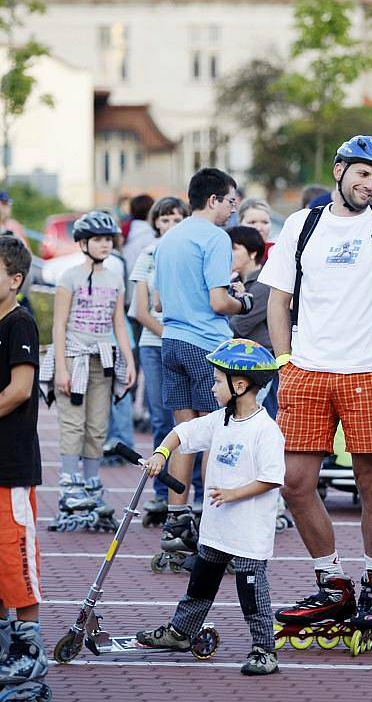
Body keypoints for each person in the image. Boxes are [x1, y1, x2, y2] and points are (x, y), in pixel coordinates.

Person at [260, 135, 372, 632]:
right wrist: (284, 362)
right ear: (339, 170)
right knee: (295, 484)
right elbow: (279, 299)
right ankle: (333, 584)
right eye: (362, 174)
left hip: (368, 370)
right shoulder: (303, 224)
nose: (370, 184)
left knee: (371, 482)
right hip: (307, 371)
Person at [137, 339, 284, 676]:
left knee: (252, 594)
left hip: (248, 533)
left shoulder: (266, 430)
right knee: (200, 585)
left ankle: (264, 650)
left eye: (218, 381)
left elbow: (273, 478)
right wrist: (162, 452)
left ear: (241, 385)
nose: (213, 387)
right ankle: (181, 633)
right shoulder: (221, 421)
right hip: (216, 530)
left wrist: (235, 494)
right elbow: (183, 431)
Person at [154, 169, 254, 562]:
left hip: (172, 340)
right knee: (217, 434)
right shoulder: (214, 237)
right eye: (232, 202)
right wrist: (242, 302)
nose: (234, 211)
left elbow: (159, 303)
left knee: (185, 433)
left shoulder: (168, 238)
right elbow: (218, 302)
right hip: (207, 344)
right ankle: (215, 528)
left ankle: (177, 520)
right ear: (213, 199)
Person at [44, 211, 136, 530]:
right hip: (74, 358)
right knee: (73, 424)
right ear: (82, 243)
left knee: (97, 425)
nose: (104, 245)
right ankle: (69, 486)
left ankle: (92, 483)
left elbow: (118, 323)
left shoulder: (115, 278)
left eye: (108, 239)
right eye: (97, 239)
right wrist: (61, 368)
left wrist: (129, 359)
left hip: (103, 359)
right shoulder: (68, 277)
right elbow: (58, 324)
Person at [0, 236, 49, 694]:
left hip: (12, 465)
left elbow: (19, 389)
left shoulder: (19, 324)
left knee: (17, 556)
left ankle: (29, 647)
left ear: (15, 279)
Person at [130, 197, 190, 515]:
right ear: (155, 222)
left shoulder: (188, 252)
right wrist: (168, 334)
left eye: (178, 220)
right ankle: (161, 492)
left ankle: (186, 492)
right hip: (155, 345)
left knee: (188, 421)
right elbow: (141, 309)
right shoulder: (148, 253)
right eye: (165, 220)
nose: (170, 226)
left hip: (184, 345)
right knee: (160, 419)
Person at [228, 225, 278, 418]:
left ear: (252, 252)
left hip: (261, 365)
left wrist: (229, 305)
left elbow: (238, 325)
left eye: (234, 249)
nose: (228, 255)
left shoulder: (263, 284)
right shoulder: (236, 282)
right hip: (243, 362)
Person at [238, 198, 274, 264]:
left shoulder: (277, 252)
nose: (259, 228)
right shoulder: (230, 253)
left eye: (265, 222)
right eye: (252, 222)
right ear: (240, 224)